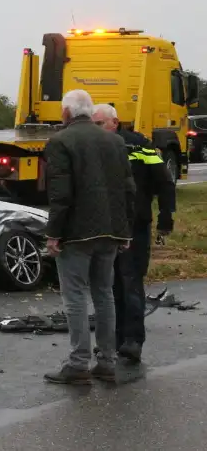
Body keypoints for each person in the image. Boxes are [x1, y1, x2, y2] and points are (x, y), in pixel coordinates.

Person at [42, 89, 136, 384]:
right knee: (104, 295)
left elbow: (61, 194)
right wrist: (124, 231)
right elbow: (127, 191)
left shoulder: (60, 142)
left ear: (67, 113)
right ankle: (107, 361)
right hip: (110, 231)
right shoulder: (115, 141)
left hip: (77, 234)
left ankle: (78, 363)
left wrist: (54, 233)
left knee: (75, 298)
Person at [91, 103, 176, 363]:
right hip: (107, 225)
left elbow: (164, 182)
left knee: (130, 282)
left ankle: (133, 341)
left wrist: (165, 217)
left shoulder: (140, 146)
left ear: (115, 122)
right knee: (110, 284)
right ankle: (115, 340)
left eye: (99, 124)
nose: (96, 130)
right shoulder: (96, 148)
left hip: (135, 224)